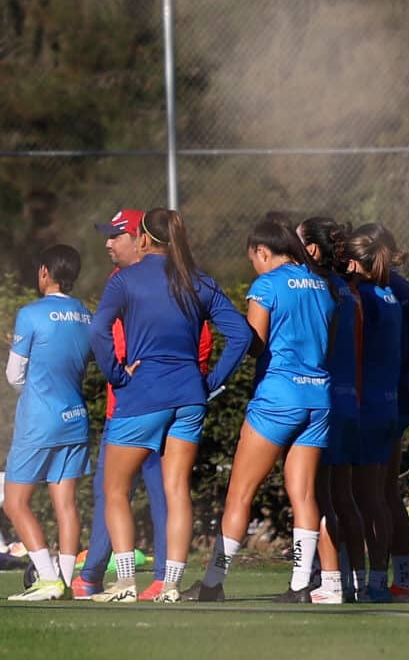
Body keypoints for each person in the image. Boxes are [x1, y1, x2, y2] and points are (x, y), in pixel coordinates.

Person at [85, 207, 249, 602]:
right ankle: (171, 584)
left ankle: (125, 583)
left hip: (143, 394)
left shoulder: (124, 280)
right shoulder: (199, 281)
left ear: (143, 239)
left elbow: (97, 329)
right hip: (189, 397)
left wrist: (117, 375)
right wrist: (209, 382)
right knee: (177, 490)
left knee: (115, 489)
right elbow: (241, 335)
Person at [192, 218, 334, 602]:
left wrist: (229, 321)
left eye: (253, 258)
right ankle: (301, 584)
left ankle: (212, 583)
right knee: (304, 495)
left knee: (240, 493)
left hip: (277, 397)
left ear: (262, 251)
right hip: (318, 397)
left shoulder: (267, 285)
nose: (253, 265)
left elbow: (253, 344)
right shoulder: (320, 284)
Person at [76, 211, 175, 600]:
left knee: (156, 492)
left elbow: (199, 338)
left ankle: (156, 578)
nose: (108, 243)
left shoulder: (166, 279)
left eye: (117, 236)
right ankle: (95, 575)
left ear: (141, 239)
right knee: (113, 491)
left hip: (144, 406)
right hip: (131, 403)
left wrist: (123, 375)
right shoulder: (122, 281)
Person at [0, 244, 92, 601]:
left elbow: (13, 374)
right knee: (66, 504)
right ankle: (65, 582)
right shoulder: (85, 314)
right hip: (76, 418)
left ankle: (49, 578)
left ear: (43, 272)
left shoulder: (30, 314)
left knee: (15, 502)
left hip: (39, 420)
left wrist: (33, 390)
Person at [303, 215, 361, 604]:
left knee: (316, 495)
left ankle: (331, 582)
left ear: (311, 248)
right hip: (350, 397)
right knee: (344, 496)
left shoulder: (319, 289)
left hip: (326, 398)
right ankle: (358, 580)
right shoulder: (349, 291)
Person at [346, 224, 405, 602]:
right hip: (388, 403)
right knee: (379, 496)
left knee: (361, 496)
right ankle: (379, 579)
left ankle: (365, 582)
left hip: (366, 406)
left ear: (353, 262)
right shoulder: (389, 294)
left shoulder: (363, 297)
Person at [364, 224, 409, 599]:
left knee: (362, 495)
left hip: (371, 400)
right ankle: (403, 580)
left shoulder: (371, 292)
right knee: (388, 493)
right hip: (398, 397)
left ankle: (362, 579)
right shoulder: (404, 289)